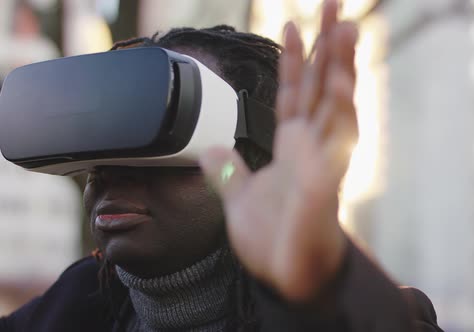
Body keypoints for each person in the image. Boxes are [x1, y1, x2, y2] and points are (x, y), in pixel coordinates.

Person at [0, 1, 443, 331]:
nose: (112, 170)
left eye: (163, 129)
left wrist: (321, 292)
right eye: (105, 144)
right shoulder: (72, 310)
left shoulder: (362, 313)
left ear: (260, 161)